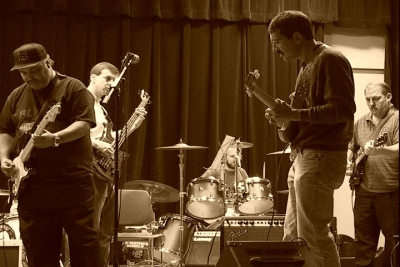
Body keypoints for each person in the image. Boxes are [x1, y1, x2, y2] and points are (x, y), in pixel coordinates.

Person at [264, 11, 356, 267]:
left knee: (313, 235)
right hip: (304, 157)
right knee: (293, 236)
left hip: (320, 157)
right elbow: (301, 122)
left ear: (295, 37)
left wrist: (292, 113)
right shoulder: (306, 66)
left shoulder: (331, 59)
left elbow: (343, 110)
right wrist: (284, 120)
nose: (275, 51)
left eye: (277, 43)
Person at [0, 43, 100, 267]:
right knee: (39, 253)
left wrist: (56, 138)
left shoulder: (72, 88)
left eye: (34, 70)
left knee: (85, 249)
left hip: (72, 183)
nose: (28, 77)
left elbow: (84, 123)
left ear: (48, 62)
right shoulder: (16, 96)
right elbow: (5, 130)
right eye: (23, 72)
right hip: (33, 186)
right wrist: (4, 157)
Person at [87, 62, 147, 267]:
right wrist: (96, 144)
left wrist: (132, 125)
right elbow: (74, 134)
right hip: (89, 172)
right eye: (107, 79)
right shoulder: (82, 101)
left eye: (114, 80)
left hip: (104, 174)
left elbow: (109, 139)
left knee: (104, 231)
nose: (111, 85)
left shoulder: (101, 109)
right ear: (93, 77)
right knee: (91, 229)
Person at [347, 82, 399, 267]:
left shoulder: (397, 119)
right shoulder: (360, 122)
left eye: (376, 99)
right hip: (364, 191)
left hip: (391, 192)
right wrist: (349, 160)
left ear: (389, 97)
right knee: (363, 246)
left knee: (394, 245)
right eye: (368, 100)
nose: (371, 103)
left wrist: (380, 150)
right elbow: (352, 148)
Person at [202, 147, 249, 216]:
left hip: (239, 210)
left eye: (237, 156)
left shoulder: (242, 172)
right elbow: (199, 186)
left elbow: (248, 194)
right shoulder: (214, 170)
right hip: (217, 210)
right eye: (232, 156)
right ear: (225, 157)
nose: (235, 159)